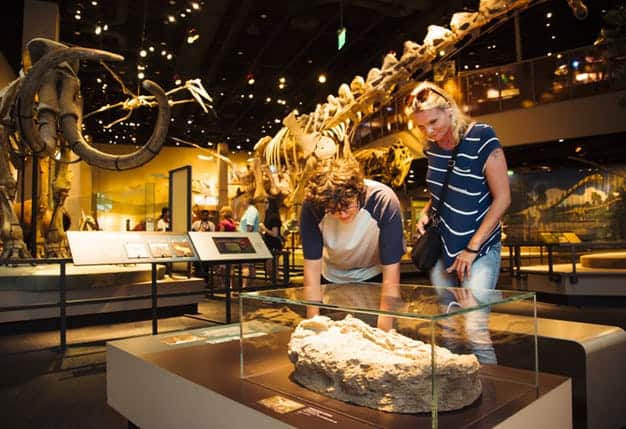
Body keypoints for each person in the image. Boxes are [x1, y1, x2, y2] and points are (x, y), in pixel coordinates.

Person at [405, 81, 511, 363]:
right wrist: (427, 210)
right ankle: (454, 392)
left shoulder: (482, 136)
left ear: (450, 109)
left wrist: (472, 248)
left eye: (433, 121)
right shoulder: (432, 148)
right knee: (447, 329)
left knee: (476, 329)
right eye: (421, 126)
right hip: (444, 249)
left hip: (478, 250)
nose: (429, 131)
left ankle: (491, 393)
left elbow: (503, 198)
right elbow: (440, 190)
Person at [300, 158, 405, 329]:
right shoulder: (312, 205)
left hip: (373, 274)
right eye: (333, 210)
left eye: (347, 206)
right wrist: (313, 323)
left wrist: (385, 331)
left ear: (358, 192)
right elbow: (311, 268)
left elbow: (391, 270)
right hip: (332, 276)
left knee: (374, 331)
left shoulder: (383, 200)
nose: (341, 215)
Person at [260, 196, 284, 279]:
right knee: (270, 268)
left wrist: (264, 228)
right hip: (269, 245)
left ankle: (277, 285)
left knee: (272, 268)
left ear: (271, 204)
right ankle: (274, 284)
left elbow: (275, 234)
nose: (264, 205)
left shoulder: (274, 217)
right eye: (264, 202)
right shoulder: (268, 216)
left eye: (266, 203)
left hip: (274, 245)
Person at [238, 198, 260, 287]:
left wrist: (245, 241)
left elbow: (250, 227)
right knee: (250, 265)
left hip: (247, 240)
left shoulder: (251, 210)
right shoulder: (250, 210)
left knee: (246, 265)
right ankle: (252, 285)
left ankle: (244, 286)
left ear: (246, 201)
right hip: (248, 239)